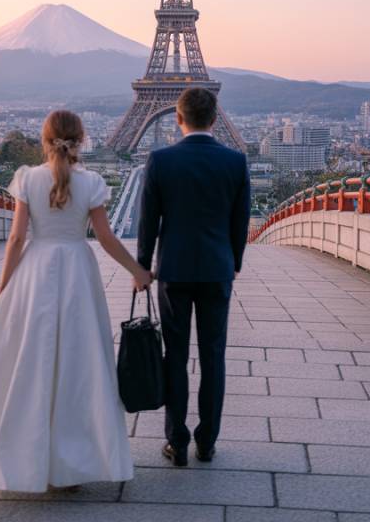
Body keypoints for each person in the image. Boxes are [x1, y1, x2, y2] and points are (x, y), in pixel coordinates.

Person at [0, 109, 153, 493]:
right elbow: (106, 239)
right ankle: (70, 461)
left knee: (25, 358)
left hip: (35, 271)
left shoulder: (27, 179)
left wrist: (4, 283)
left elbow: (16, 238)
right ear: (81, 140)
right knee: (77, 364)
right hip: (77, 268)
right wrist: (137, 270)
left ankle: (17, 455)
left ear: (44, 141)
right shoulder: (91, 182)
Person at [137, 88, 251, 466]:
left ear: (177, 118)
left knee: (175, 355)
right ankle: (207, 441)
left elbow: (148, 222)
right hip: (217, 269)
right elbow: (240, 220)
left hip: (174, 269)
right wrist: (233, 260)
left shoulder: (161, 160)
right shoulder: (235, 162)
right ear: (215, 118)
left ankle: (177, 440)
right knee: (213, 355)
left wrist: (142, 266)